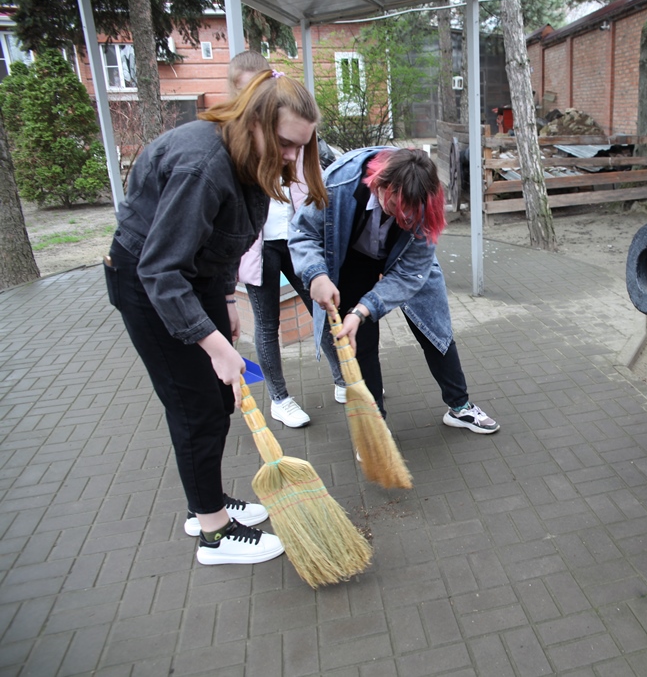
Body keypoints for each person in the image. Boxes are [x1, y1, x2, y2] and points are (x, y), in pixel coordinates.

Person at [104, 70, 328, 565]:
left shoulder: (248, 156)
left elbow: (225, 240)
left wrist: (225, 302)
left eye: (301, 147)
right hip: (150, 286)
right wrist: (216, 347)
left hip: (195, 280)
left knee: (217, 402)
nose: (293, 157)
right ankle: (212, 533)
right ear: (257, 122)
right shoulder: (201, 166)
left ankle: (206, 501)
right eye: (288, 145)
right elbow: (160, 269)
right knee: (195, 407)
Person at [289, 146, 500, 434]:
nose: (404, 217)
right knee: (360, 339)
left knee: (435, 328)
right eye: (397, 208)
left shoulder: (427, 203)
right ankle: (375, 424)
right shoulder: (339, 181)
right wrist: (316, 274)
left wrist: (364, 310)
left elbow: (409, 275)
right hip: (352, 255)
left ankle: (460, 407)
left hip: (406, 258)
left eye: (410, 213)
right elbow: (303, 233)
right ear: (380, 184)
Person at [229, 52, 345, 429]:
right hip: (259, 249)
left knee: (321, 311)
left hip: (296, 242)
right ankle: (279, 398)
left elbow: (313, 182)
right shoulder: (238, 144)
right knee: (266, 325)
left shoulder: (291, 135)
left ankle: (343, 378)